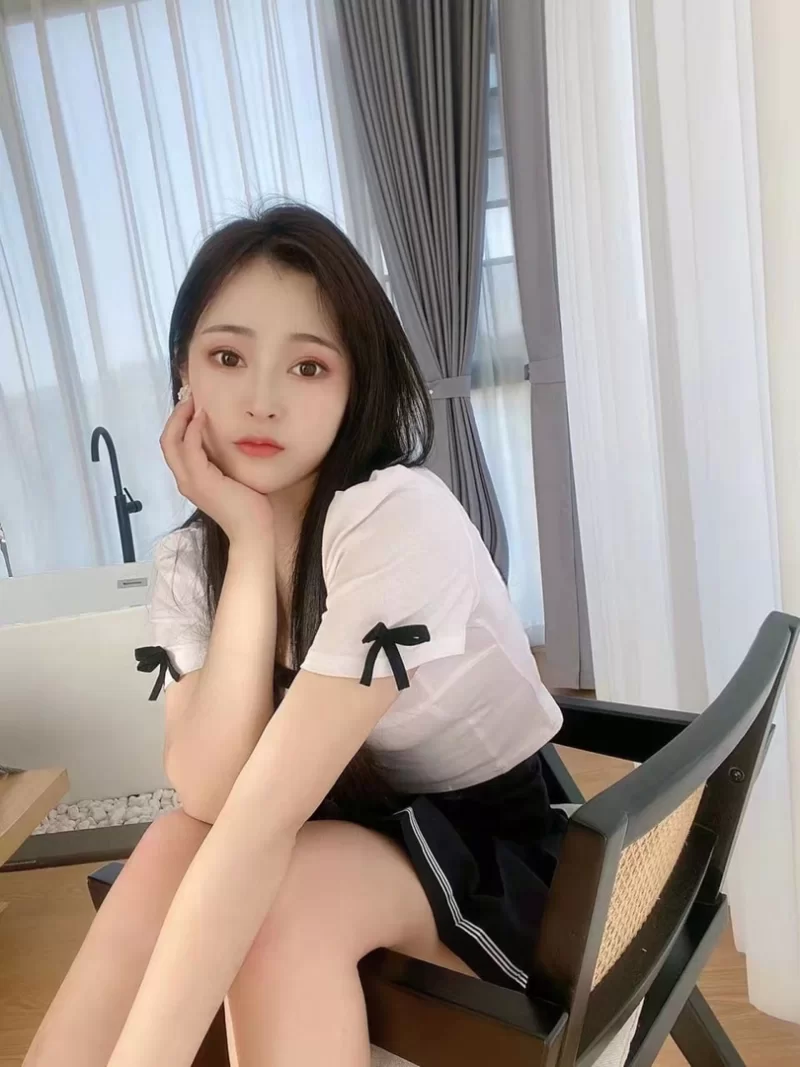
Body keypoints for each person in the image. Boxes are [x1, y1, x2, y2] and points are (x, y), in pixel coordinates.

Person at [23, 204, 567, 1067]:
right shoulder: (190, 560)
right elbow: (212, 790)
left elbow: (257, 822)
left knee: (274, 902)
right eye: (227, 357)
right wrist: (245, 541)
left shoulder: (395, 520)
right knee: (171, 842)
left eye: (308, 366)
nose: (263, 400)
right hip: (338, 821)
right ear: (183, 372)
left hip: (485, 850)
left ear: (355, 386)